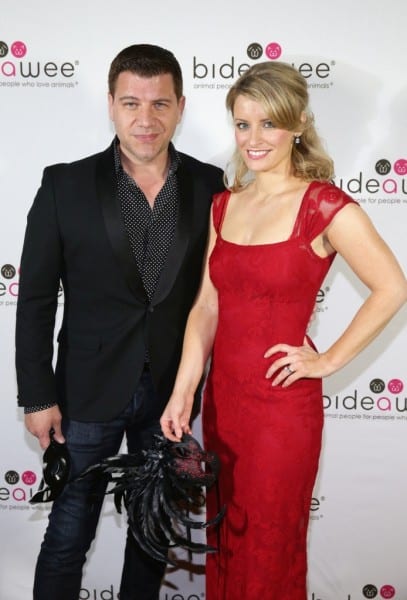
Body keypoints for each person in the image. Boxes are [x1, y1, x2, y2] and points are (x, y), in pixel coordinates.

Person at [160, 61, 407, 600]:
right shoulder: (225, 205)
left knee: (271, 547)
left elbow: (393, 286)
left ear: (297, 124)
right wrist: (184, 392)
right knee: (229, 538)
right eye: (242, 124)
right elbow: (206, 306)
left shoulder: (323, 205)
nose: (254, 139)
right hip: (224, 405)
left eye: (268, 123)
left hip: (281, 409)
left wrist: (327, 360)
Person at [15, 43, 224, 600]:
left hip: (170, 395)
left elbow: (216, 294)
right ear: (110, 104)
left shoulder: (212, 186)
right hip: (86, 391)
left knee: (152, 533)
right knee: (67, 533)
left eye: (159, 104)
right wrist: (37, 396)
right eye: (131, 102)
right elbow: (34, 299)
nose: (145, 118)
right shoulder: (64, 185)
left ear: (181, 106)